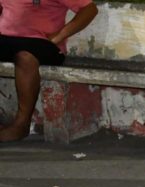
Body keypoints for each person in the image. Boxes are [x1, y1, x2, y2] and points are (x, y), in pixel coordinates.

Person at [0, 0, 98, 142]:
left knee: (26, 57)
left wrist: (57, 37)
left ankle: (21, 125)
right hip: (6, 39)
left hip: (42, 43)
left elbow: (89, 10)